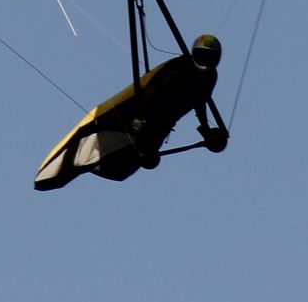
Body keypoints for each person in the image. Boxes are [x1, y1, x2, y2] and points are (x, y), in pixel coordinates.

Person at [33, 33, 228, 190]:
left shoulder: (210, 78)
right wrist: (139, 117)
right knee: (116, 161)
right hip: (138, 113)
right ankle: (72, 165)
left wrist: (206, 129)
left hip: (161, 125)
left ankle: (101, 159)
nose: (205, 60)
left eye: (209, 57)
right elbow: (151, 90)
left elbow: (199, 101)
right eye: (201, 55)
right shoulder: (182, 67)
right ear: (194, 54)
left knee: (124, 170)